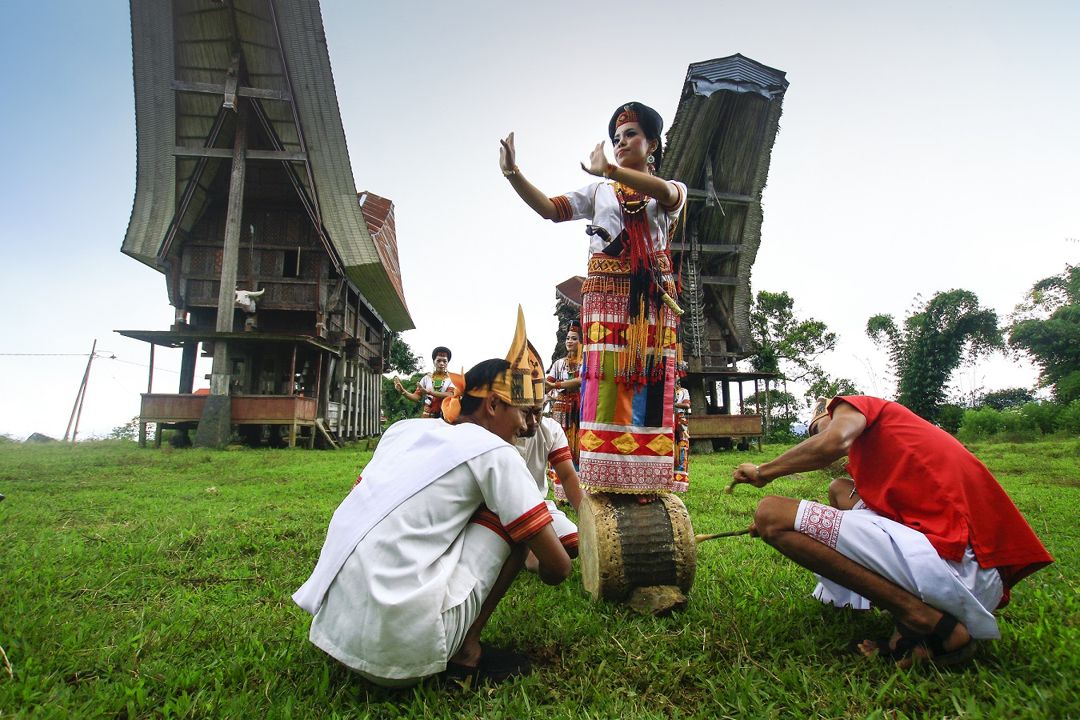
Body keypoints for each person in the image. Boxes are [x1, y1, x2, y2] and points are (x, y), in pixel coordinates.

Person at [294, 312, 571, 687]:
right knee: (513, 520)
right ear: (492, 406)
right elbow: (558, 569)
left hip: (335, 633)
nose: (526, 427)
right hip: (401, 653)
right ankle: (466, 651)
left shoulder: (401, 430)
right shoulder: (496, 452)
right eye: (522, 413)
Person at [729, 395, 1054, 667]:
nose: (815, 439)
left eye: (817, 429)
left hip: (961, 562)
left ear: (835, 411)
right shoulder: (876, 460)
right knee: (839, 490)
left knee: (770, 512)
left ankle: (921, 619)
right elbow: (852, 508)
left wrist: (763, 472)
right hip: (976, 581)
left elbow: (835, 440)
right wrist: (800, 530)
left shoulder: (856, 407)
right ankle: (926, 617)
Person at [500, 101, 687, 495]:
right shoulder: (600, 190)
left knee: (647, 379)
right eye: (616, 138)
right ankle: (602, 477)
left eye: (631, 135)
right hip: (604, 297)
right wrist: (513, 174)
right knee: (603, 381)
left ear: (652, 143)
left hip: (650, 300)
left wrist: (614, 170)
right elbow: (551, 209)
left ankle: (648, 480)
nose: (621, 143)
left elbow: (667, 194)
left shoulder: (668, 191)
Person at [516, 401, 585, 571]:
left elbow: (568, 477)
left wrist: (588, 521)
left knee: (573, 542)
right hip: (495, 513)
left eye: (537, 412)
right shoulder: (493, 429)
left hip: (537, 509)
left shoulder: (550, 429)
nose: (532, 421)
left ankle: (524, 550)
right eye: (525, 412)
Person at [545, 321, 583, 502]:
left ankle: (577, 490)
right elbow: (548, 382)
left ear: (581, 342)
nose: (569, 341)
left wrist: (555, 385)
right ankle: (560, 494)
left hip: (579, 410)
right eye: (568, 338)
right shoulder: (559, 363)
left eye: (574, 339)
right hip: (561, 409)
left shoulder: (586, 362)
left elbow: (581, 381)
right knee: (561, 445)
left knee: (577, 447)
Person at [395, 346, 455, 419]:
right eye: (438, 360)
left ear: (447, 363)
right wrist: (403, 391)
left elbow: (450, 394)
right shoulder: (426, 378)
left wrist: (429, 392)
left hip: (444, 418)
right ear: (434, 362)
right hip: (426, 417)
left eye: (445, 361)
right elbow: (416, 397)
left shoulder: (451, 379)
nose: (442, 363)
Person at [672, 376, 691, 492]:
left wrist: (672, 404)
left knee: (682, 448)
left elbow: (687, 405)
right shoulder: (666, 390)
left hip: (680, 421)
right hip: (668, 420)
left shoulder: (684, 391)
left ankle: (679, 481)